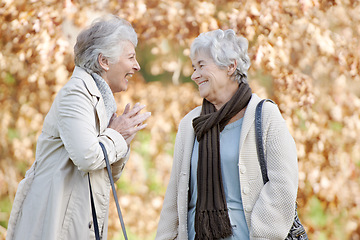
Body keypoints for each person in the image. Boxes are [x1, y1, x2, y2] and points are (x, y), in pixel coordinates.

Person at [6, 15, 150, 240]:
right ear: (104, 61)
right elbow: (87, 157)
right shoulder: (76, 94)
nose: (136, 65)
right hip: (55, 227)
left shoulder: (101, 101)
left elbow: (110, 172)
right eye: (130, 57)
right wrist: (116, 134)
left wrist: (125, 135)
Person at [155, 29, 298, 240]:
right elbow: (174, 198)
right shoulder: (190, 124)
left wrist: (263, 235)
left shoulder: (265, 115)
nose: (194, 75)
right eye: (194, 68)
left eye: (201, 66)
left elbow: (282, 185)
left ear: (230, 66)